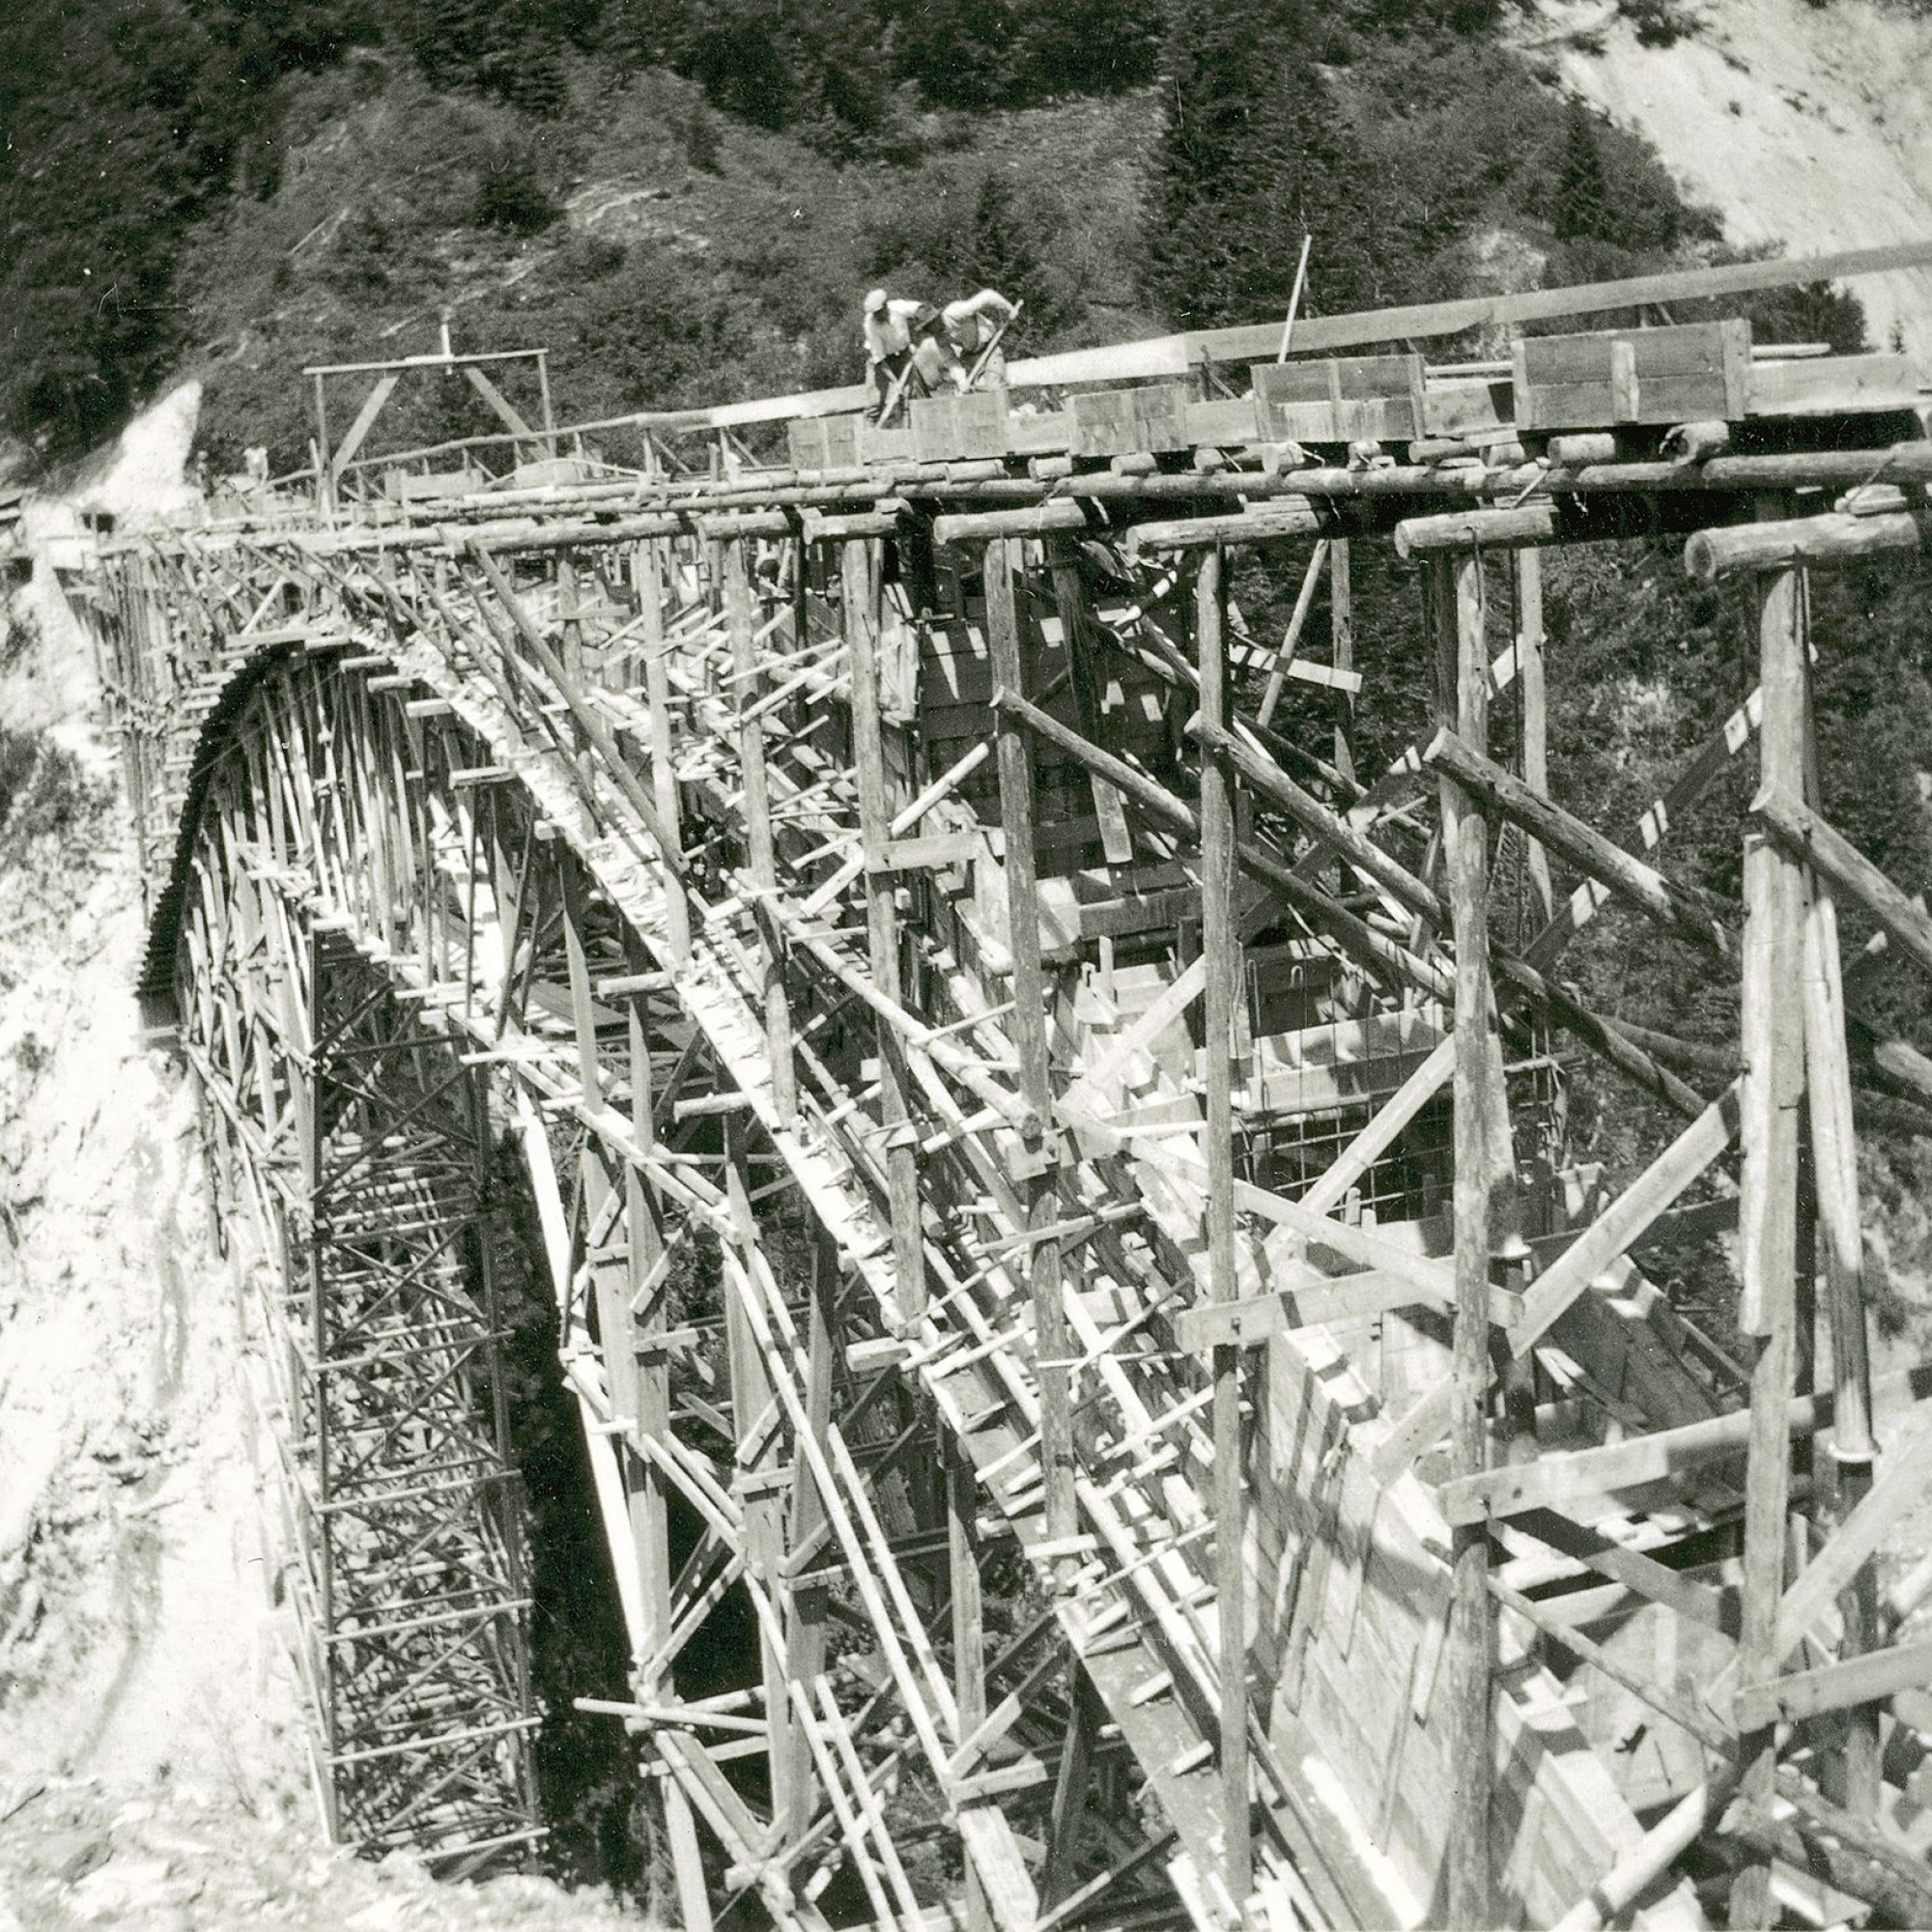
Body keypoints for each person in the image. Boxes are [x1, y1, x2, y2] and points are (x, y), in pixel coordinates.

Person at [862, 287, 924, 421]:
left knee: (910, 395)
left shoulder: (898, 307)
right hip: (880, 362)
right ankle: (872, 431)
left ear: (885, 306)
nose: (877, 316)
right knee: (875, 401)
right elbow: (880, 359)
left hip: (904, 355)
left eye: (879, 312)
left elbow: (922, 310)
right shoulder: (869, 324)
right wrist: (897, 383)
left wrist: (922, 328)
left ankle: (910, 427)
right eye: (874, 314)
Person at [939, 288, 1019, 391]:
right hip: (969, 357)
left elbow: (988, 295)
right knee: (969, 392)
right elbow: (950, 359)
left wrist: (1009, 308)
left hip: (990, 350)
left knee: (994, 387)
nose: (932, 329)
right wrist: (962, 381)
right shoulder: (938, 337)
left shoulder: (954, 312)